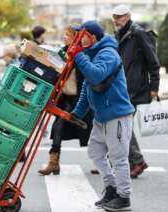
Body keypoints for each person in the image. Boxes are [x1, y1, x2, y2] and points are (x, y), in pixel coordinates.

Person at [70, 21, 135, 211]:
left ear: (92, 37)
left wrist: (79, 56)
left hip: (116, 114)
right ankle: (111, 187)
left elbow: (96, 75)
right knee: (95, 152)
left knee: (119, 158)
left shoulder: (108, 53)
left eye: (80, 35)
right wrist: (78, 113)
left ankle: (124, 198)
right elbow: (87, 86)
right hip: (101, 116)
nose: (77, 40)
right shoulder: (93, 53)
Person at [112, 5, 160, 178]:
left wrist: (154, 86)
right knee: (122, 125)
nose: (116, 20)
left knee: (122, 125)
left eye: (120, 17)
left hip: (135, 87)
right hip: (122, 86)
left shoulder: (138, 33)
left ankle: (137, 161)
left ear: (128, 16)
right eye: (115, 17)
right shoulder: (120, 34)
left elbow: (153, 61)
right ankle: (132, 161)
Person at [38, 26, 93, 176]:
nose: (64, 37)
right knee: (58, 128)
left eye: (67, 35)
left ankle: (100, 161)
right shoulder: (62, 53)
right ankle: (53, 163)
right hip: (65, 98)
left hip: (81, 98)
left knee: (90, 130)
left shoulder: (83, 54)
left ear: (75, 38)